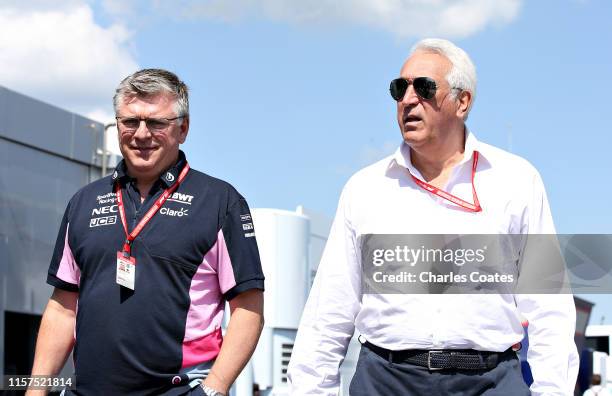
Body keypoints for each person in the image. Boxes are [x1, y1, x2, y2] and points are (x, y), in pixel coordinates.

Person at [287, 38, 578, 395]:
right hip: (386, 382)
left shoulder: (517, 181)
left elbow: (549, 306)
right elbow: (330, 308)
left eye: (424, 88)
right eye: (399, 88)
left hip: (490, 382)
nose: (408, 99)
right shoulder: (364, 189)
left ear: (463, 101)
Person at [28, 69, 265, 396]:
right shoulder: (84, 202)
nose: (141, 134)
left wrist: (215, 388)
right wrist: (37, 389)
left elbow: (249, 308)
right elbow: (62, 306)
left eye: (156, 123)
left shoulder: (220, 202)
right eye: (130, 121)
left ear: (183, 128)